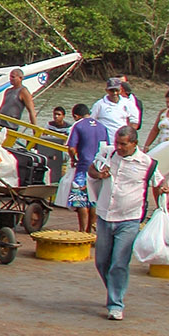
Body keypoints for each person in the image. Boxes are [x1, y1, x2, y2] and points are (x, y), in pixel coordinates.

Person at [89, 127, 166, 321]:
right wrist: (99, 175)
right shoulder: (108, 154)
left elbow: (159, 184)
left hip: (129, 219)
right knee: (101, 262)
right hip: (105, 215)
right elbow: (91, 169)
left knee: (119, 262)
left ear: (134, 143)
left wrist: (163, 204)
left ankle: (116, 303)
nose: (119, 147)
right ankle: (114, 290)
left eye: (124, 144)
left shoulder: (147, 163)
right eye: (117, 143)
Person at [65, 103, 105, 233]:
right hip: (98, 167)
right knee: (93, 199)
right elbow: (106, 148)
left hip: (83, 167)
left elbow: (71, 147)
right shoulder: (102, 127)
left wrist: (73, 159)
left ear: (76, 116)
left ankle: (82, 230)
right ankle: (89, 230)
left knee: (79, 199)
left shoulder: (78, 125)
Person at [90, 79, 137, 143]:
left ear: (120, 90)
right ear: (107, 90)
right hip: (105, 142)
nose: (114, 93)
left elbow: (134, 121)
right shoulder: (99, 104)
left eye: (116, 90)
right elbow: (91, 121)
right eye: (112, 90)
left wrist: (129, 138)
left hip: (122, 142)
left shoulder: (128, 103)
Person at [43, 106, 71, 183]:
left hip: (62, 152)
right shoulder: (49, 125)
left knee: (61, 171)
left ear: (63, 116)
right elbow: (44, 136)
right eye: (55, 114)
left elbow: (67, 141)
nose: (56, 116)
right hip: (51, 151)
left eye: (59, 115)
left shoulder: (68, 127)